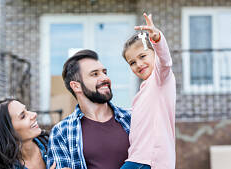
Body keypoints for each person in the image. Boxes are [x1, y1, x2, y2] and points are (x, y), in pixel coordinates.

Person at [46, 49, 131, 169]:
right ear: (76, 86)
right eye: (95, 74)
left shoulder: (132, 118)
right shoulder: (61, 132)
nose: (105, 78)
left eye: (104, 72)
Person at [120, 13, 176, 169]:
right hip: (140, 159)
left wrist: (156, 39)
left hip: (148, 161)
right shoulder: (143, 92)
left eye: (143, 56)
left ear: (155, 55)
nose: (138, 64)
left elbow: (165, 62)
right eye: (132, 62)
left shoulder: (161, 79)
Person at [0, 98, 56, 169]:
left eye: (27, 110)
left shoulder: (55, 143)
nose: (34, 114)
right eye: (23, 116)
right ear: (9, 131)